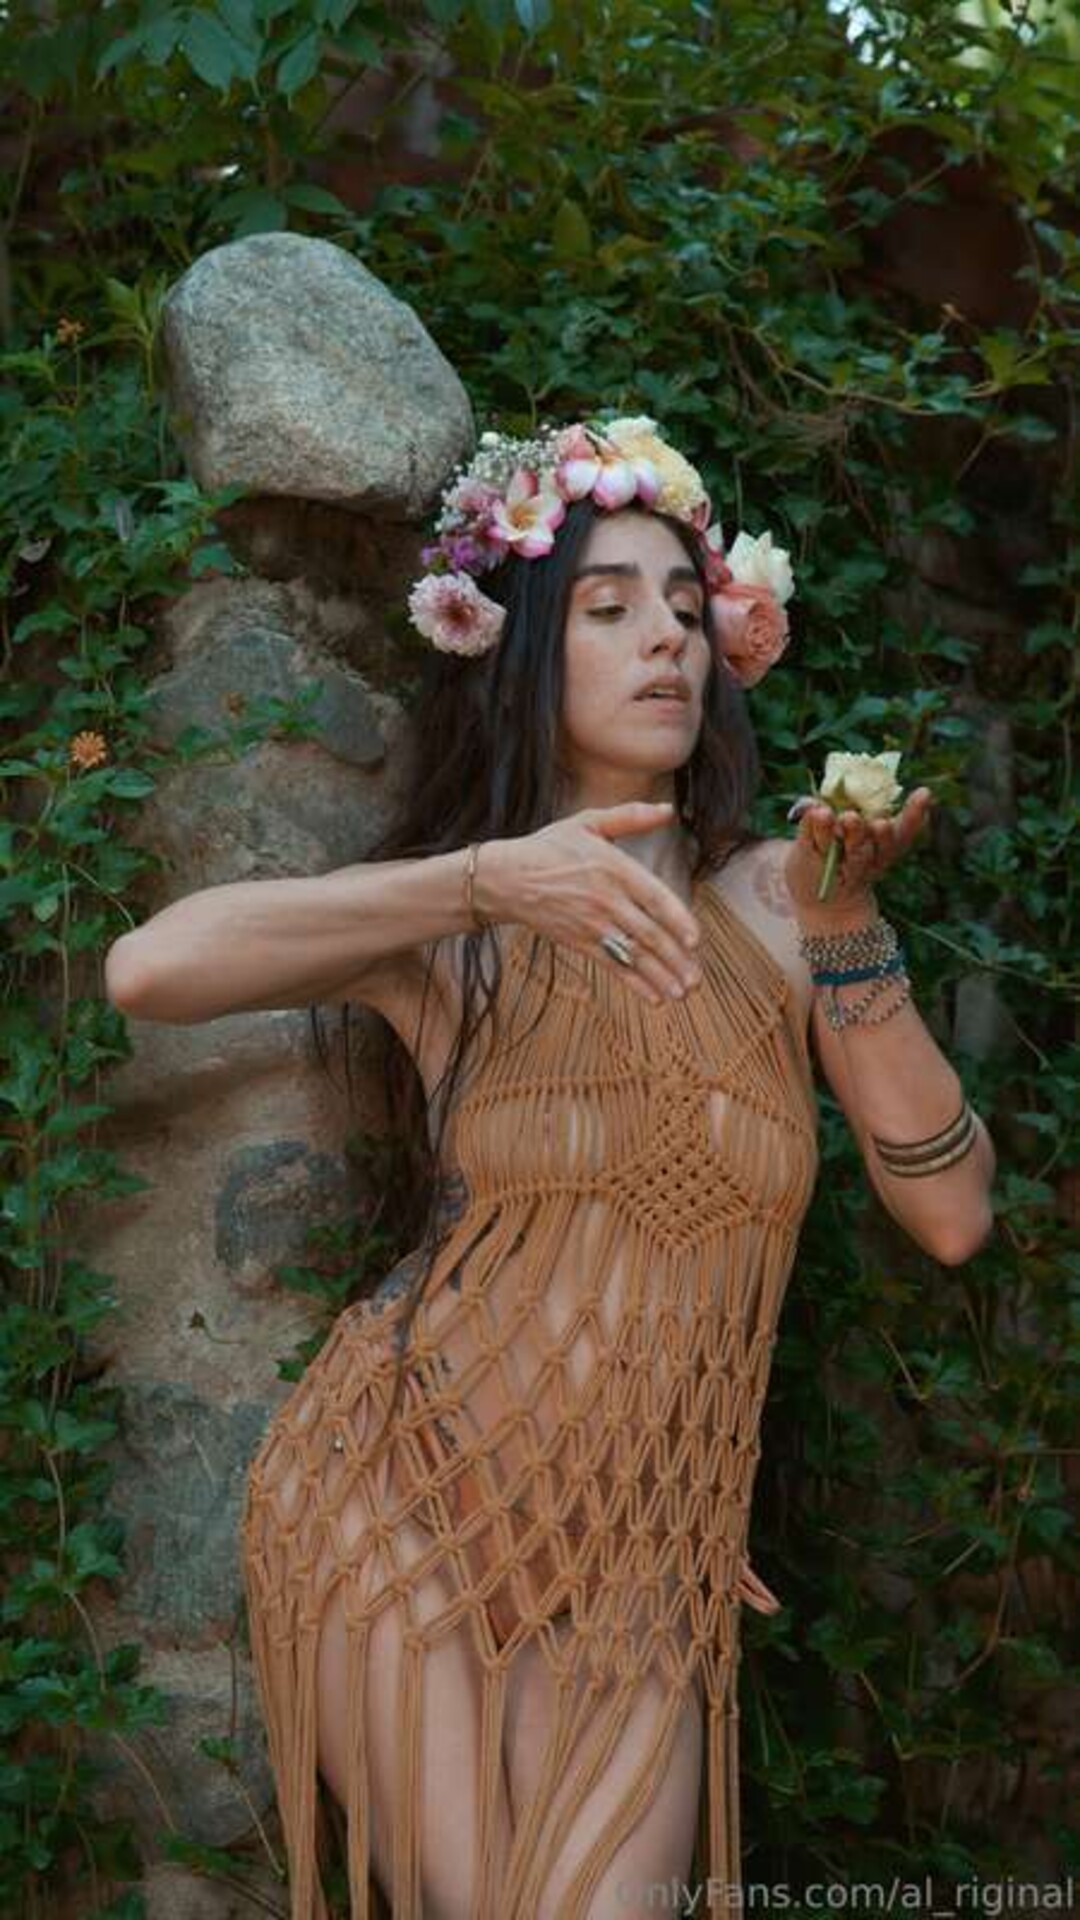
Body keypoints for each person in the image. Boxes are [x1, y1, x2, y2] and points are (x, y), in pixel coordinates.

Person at [104, 415, 997, 1920]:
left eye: (684, 606)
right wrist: (483, 880)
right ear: (525, 654)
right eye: (609, 607)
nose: (666, 639)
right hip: (404, 1502)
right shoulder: (463, 922)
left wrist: (850, 931)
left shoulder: (784, 904)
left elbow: (954, 1214)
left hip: (645, 1553)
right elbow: (151, 969)